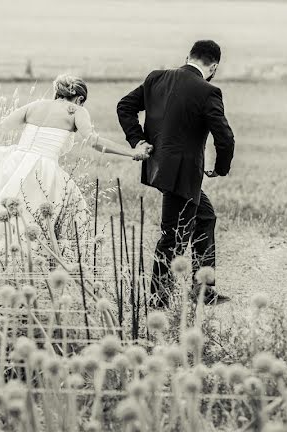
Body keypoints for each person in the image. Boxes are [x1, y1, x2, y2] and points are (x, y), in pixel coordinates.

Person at [0, 75, 150, 299]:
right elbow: (94, 142)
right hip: (42, 171)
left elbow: (2, 126)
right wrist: (131, 153)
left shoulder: (35, 105)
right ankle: (20, 282)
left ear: (57, 93)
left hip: (13, 162)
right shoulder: (77, 111)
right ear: (78, 98)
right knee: (30, 229)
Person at [117, 40, 235, 306]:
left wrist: (138, 140)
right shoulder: (209, 92)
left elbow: (124, 106)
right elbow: (225, 138)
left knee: (205, 217)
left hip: (160, 166)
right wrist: (221, 168)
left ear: (188, 56)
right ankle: (157, 301)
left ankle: (202, 290)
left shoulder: (156, 78)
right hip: (183, 173)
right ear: (214, 66)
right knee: (172, 237)